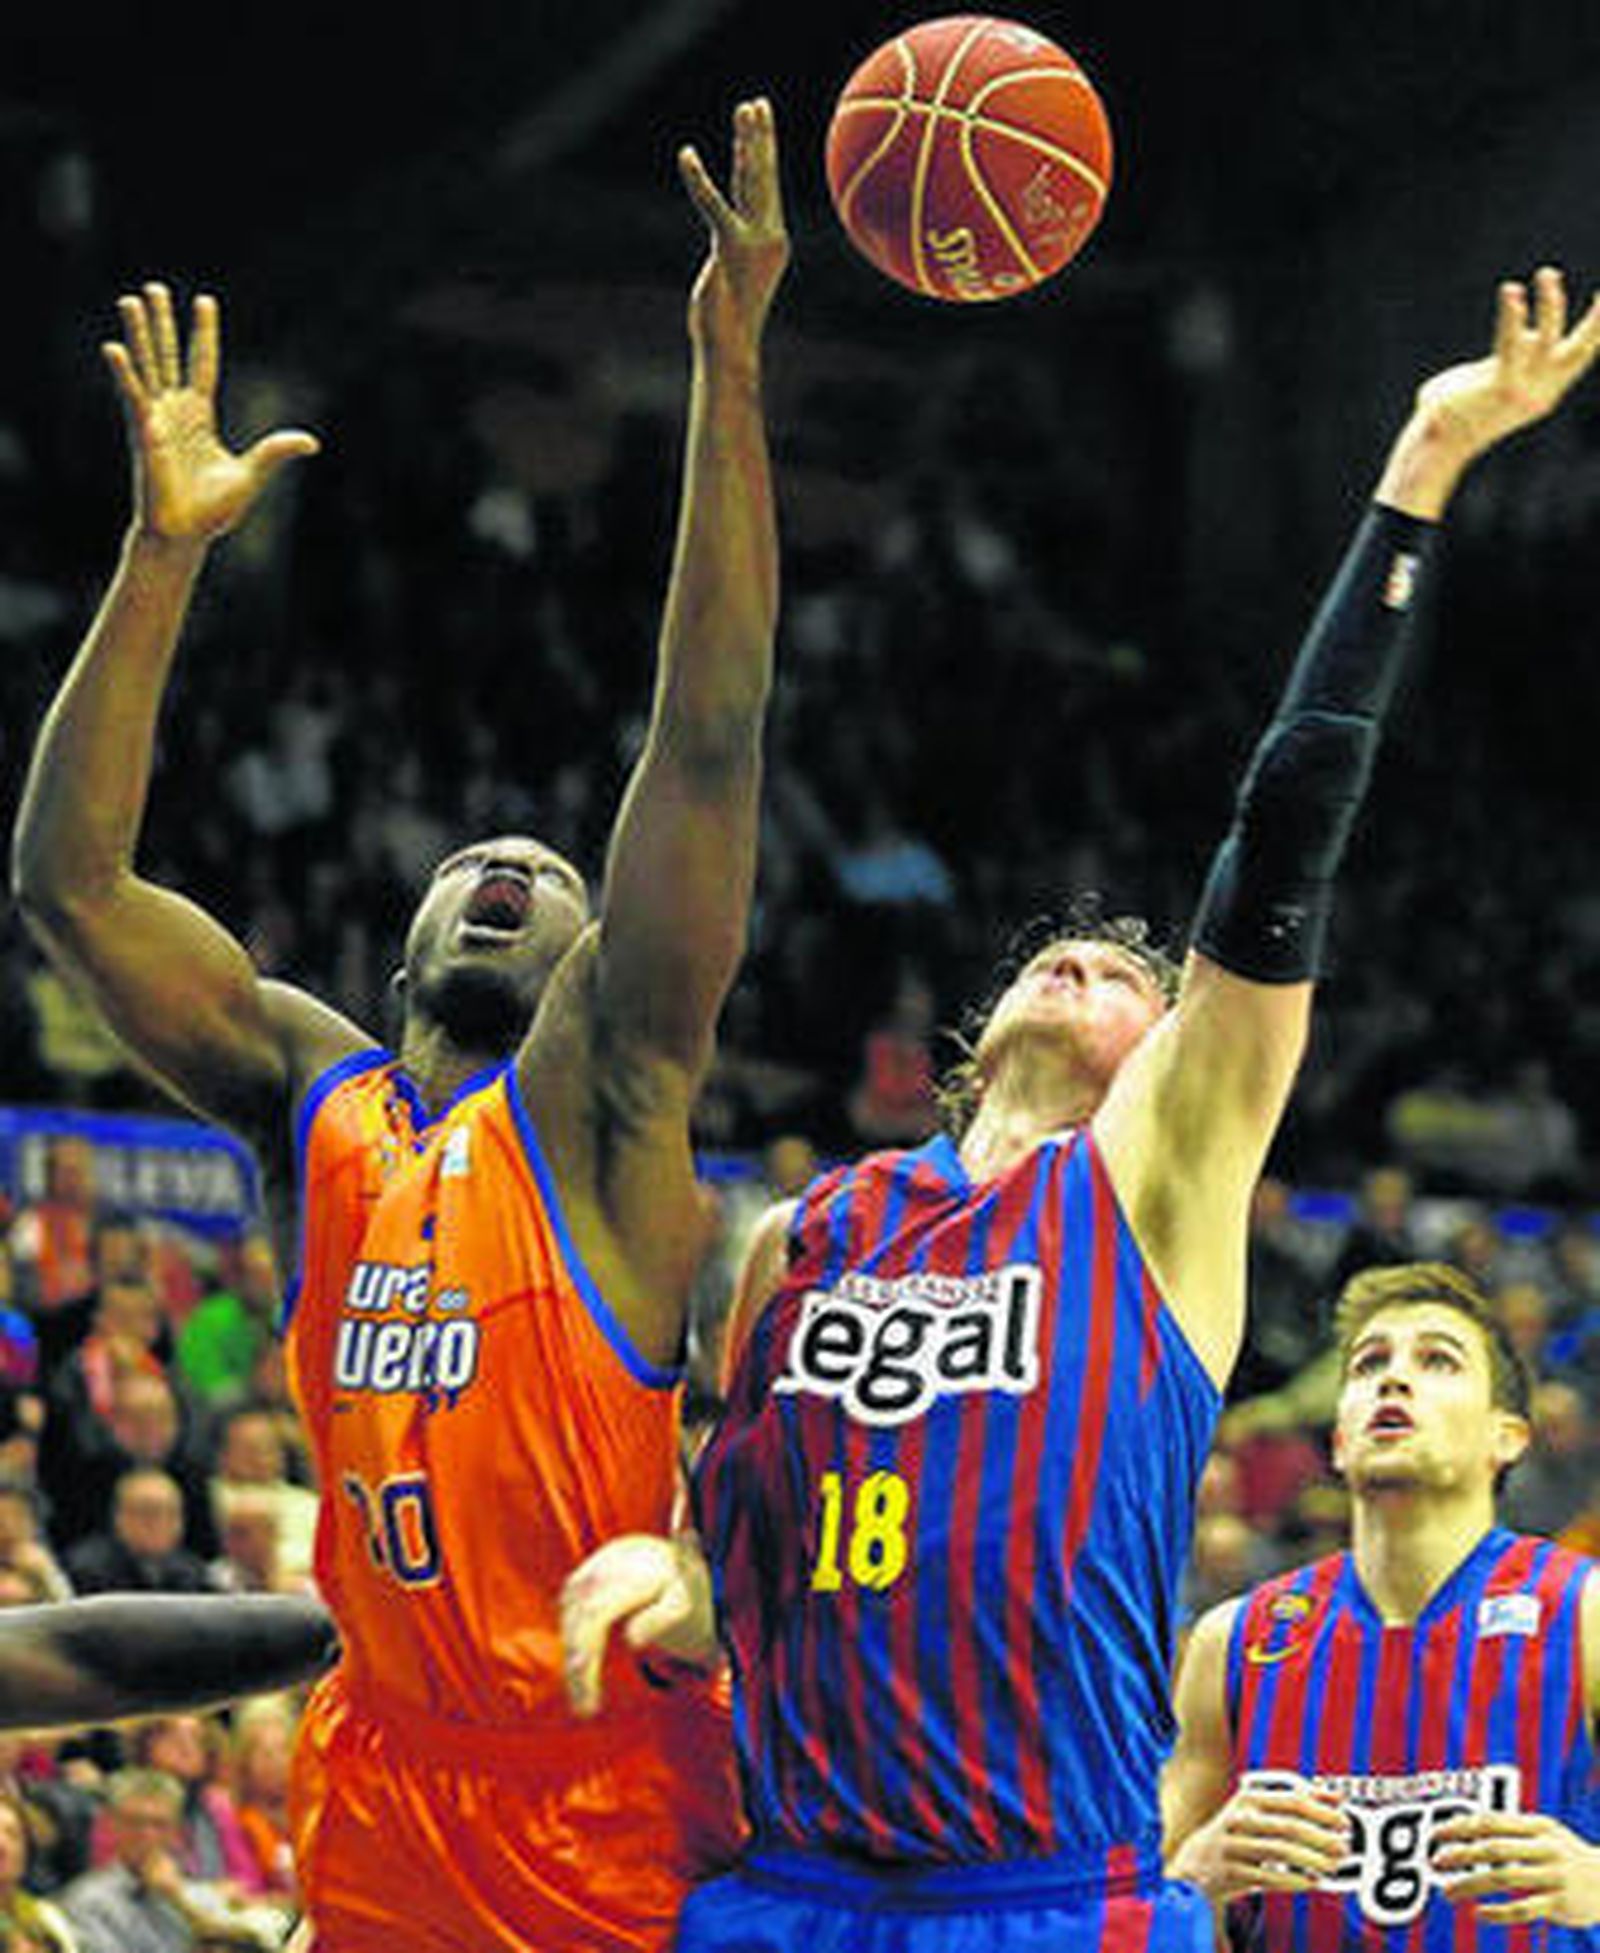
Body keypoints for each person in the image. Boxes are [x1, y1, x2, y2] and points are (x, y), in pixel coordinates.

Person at [560, 269, 1600, 1951]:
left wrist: (1419, 465)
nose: (1088, 965)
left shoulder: (1151, 1189)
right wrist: (658, 1594)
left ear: (1171, 1053)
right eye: (1062, 956)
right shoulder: (801, 1239)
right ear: (977, 1041)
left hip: (1044, 1896)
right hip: (791, 1891)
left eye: (1132, 974)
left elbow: (1285, 832)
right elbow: (719, 1571)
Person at [13, 95, 788, 1952]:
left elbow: (703, 740)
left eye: (548, 868)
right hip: (373, 1772)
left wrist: (725, 360)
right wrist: (162, 558)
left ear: (600, 964)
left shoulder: (606, 1100)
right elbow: (70, 885)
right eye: (470, 861)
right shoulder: (312, 1094)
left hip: (596, 1785)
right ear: (397, 951)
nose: (508, 866)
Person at [1162, 1262, 1600, 1947]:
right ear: (1338, 1441)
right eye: (1369, 1363)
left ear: (1507, 1435)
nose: (1393, 1378)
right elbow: (1136, 1901)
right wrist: (1192, 1876)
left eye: (1437, 1360)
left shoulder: (1585, 1612)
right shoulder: (1235, 1640)